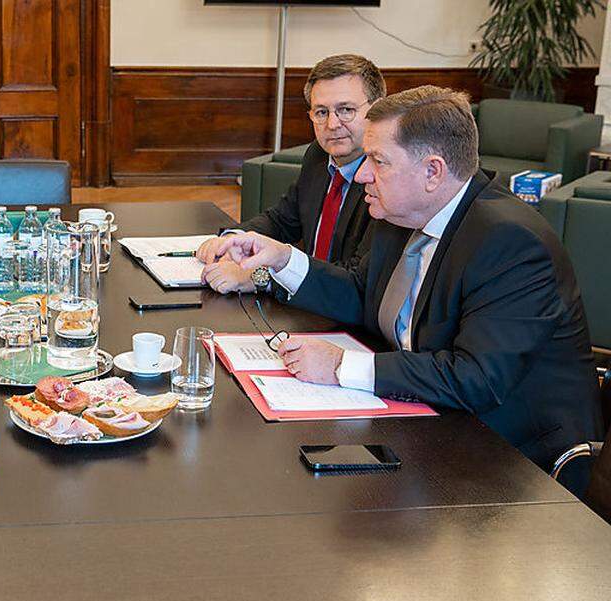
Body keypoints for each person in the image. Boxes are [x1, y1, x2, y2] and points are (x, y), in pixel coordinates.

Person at [206, 85, 603, 474]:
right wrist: (282, 259)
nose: (361, 174)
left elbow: (478, 378)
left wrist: (344, 367)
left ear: (433, 171)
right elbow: (362, 295)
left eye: (378, 161)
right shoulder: (400, 214)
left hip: (512, 460)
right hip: (426, 419)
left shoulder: (509, 242)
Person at [197, 54, 385, 293]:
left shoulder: (383, 178)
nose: (332, 124)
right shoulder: (318, 155)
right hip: (304, 306)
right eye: (321, 112)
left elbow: (353, 280)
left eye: (345, 110)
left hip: (344, 313)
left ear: (376, 110)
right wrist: (234, 238)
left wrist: (259, 278)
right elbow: (282, 220)